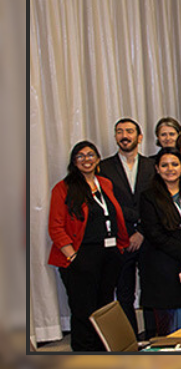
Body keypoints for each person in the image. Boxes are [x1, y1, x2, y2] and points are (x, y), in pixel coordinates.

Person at [47, 141, 130, 350]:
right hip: (81, 255)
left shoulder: (105, 184)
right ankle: (84, 354)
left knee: (104, 307)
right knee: (83, 310)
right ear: (74, 162)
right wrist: (73, 256)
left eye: (91, 155)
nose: (86, 159)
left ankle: (103, 351)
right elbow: (56, 227)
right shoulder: (63, 188)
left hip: (109, 253)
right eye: (81, 156)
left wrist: (119, 247)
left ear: (98, 159)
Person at [137, 148, 181, 333]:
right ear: (157, 169)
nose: (170, 169)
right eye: (164, 165)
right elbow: (156, 235)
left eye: (175, 164)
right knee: (169, 330)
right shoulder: (148, 197)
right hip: (164, 270)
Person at [97, 118, 154, 334]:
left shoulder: (152, 165)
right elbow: (109, 204)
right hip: (121, 239)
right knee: (124, 293)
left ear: (139, 137)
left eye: (129, 131)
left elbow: (156, 202)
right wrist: (131, 230)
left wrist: (141, 230)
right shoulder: (104, 168)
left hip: (148, 238)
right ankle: (130, 339)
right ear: (115, 137)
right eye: (119, 131)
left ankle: (152, 334)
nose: (124, 136)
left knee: (151, 291)